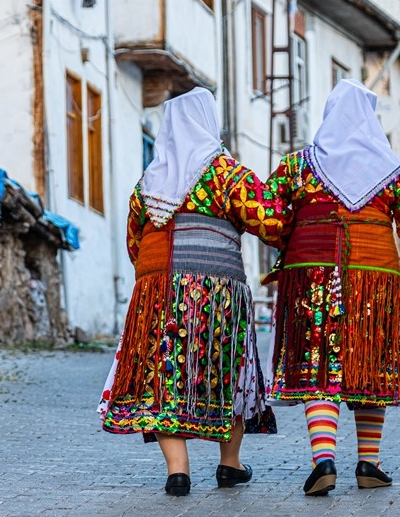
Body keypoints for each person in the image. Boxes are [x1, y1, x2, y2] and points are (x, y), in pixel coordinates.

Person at [265, 80, 400, 496]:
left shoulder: (298, 166)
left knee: (318, 364)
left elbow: (268, 216)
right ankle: (369, 463)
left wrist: (293, 237)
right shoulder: (390, 171)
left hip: (311, 276)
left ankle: (324, 460)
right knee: (369, 364)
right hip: (375, 280)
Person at [99, 88, 285, 496]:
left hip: (158, 290)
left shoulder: (149, 183)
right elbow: (271, 222)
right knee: (225, 371)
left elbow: (134, 243)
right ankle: (229, 464)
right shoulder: (227, 174)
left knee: (164, 375)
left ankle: (177, 471)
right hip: (217, 291)